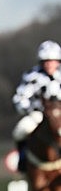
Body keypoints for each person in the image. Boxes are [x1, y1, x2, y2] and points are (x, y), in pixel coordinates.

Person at [12, 40, 61, 172]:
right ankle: (23, 161)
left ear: (58, 61)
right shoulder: (32, 76)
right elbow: (19, 98)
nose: (48, 64)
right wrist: (31, 109)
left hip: (59, 115)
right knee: (20, 131)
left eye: (52, 60)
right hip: (39, 115)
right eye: (45, 61)